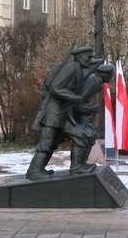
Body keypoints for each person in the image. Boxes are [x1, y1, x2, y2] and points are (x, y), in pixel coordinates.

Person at [26, 46, 102, 180]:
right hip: (53, 113)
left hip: (61, 113)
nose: (90, 60)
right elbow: (56, 87)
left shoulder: (77, 69)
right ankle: (34, 172)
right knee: (47, 143)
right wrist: (74, 97)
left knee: (60, 140)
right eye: (88, 57)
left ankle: (76, 167)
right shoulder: (72, 67)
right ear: (79, 57)